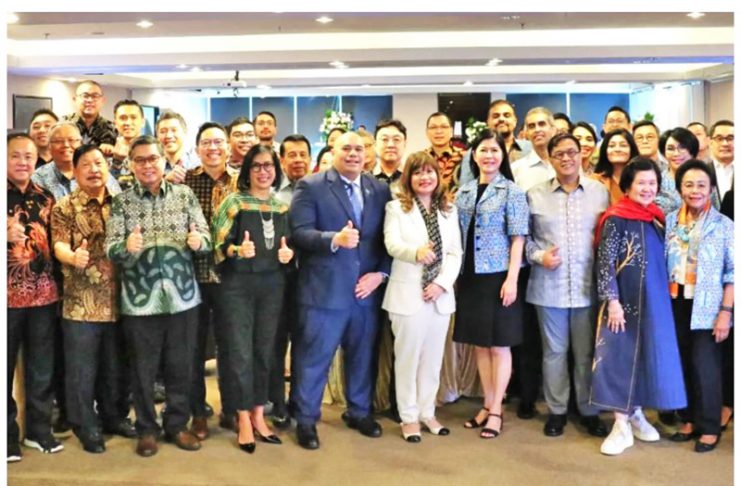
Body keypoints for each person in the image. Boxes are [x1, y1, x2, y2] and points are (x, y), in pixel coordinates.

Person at [105, 135, 212, 457]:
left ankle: (177, 425)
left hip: (183, 299)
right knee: (143, 371)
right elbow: (110, 248)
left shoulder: (184, 195)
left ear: (164, 160)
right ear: (131, 165)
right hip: (140, 302)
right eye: (140, 160)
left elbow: (207, 237)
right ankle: (147, 430)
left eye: (153, 158)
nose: (147, 165)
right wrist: (126, 247)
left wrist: (199, 241)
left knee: (181, 366)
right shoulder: (122, 202)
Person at [289, 131, 392, 450]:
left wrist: (381, 274)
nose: (353, 154)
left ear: (367, 153)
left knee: (362, 357)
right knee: (313, 359)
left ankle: (359, 412)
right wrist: (333, 239)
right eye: (346, 148)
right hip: (324, 293)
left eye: (359, 149)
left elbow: (388, 239)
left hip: (365, 293)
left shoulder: (379, 189)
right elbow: (299, 233)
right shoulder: (311, 186)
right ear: (333, 151)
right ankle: (306, 419)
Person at [590, 158, 686, 456]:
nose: (647, 188)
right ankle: (620, 423)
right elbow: (605, 263)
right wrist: (612, 301)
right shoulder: (616, 218)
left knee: (646, 356)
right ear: (628, 186)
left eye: (652, 183)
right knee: (618, 357)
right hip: (623, 302)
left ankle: (636, 413)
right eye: (641, 182)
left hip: (655, 301)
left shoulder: (657, 218)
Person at [212, 144, 295, 453]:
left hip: (272, 286)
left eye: (268, 166)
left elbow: (289, 246)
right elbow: (216, 245)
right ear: (247, 170)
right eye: (257, 166)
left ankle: (260, 414)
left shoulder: (281, 208)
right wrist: (237, 250)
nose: (263, 171)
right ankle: (243, 416)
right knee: (239, 353)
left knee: (265, 350)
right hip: (237, 287)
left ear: (276, 170)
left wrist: (288, 255)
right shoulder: (234, 203)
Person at [525, 133, 609, 438]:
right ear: (550, 158)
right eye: (559, 153)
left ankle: (589, 411)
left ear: (581, 154)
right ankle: (557, 411)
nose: (566, 158)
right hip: (549, 288)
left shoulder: (600, 193)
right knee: (554, 353)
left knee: (587, 354)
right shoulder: (534, 195)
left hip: (588, 288)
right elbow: (523, 240)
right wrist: (540, 256)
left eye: (571, 152)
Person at [51, 144, 134, 454]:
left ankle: (114, 418)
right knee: (82, 371)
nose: (94, 169)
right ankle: (86, 425)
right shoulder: (64, 207)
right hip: (81, 304)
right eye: (86, 164)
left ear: (107, 167)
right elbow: (58, 245)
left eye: (99, 162)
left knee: (115, 367)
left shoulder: (122, 202)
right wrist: (73, 257)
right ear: (74, 171)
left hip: (120, 301)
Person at [382, 152, 462, 442]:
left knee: (432, 360)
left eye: (430, 172)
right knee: (408, 360)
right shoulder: (396, 207)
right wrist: (415, 252)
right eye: (418, 172)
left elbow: (454, 253)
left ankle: (428, 412)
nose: (424, 177)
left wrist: (441, 284)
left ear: (438, 176)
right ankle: (408, 417)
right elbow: (391, 244)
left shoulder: (449, 209)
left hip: (439, 297)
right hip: (407, 296)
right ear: (409, 178)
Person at [454, 129, 529, 439]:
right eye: (483, 150)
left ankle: (496, 409)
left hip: (498, 276)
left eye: (494, 150)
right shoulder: (463, 191)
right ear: (474, 155)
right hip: (470, 276)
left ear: (503, 155)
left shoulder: (512, 191)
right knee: (480, 345)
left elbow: (518, 238)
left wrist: (512, 278)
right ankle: (487, 403)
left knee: (499, 345)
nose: (488, 155)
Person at [665, 160, 734, 453]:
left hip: (708, 305)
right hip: (675, 301)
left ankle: (709, 427)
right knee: (681, 362)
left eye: (701, 185)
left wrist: (726, 313)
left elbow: (733, 273)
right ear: (680, 188)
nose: (695, 190)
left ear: (711, 189)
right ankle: (689, 419)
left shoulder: (724, 225)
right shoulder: (670, 220)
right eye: (689, 184)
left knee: (705, 366)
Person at [7, 133, 63, 461]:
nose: (23, 162)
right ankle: (6, 438)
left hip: (43, 297)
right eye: (15, 155)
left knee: (42, 368)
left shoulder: (46, 197)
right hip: (6, 300)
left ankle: (39, 432)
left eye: (29, 156)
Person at [183, 122, 237, 441]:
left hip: (232, 278)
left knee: (231, 347)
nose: (213, 148)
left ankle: (231, 409)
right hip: (193, 277)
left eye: (218, 142)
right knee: (193, 349)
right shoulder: (185, 182)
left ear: (228, 147)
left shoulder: (241, 183)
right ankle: (198, 413)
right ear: (197, 148)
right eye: (206, 142)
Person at [62, 80, 117, 156]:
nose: (90, 100)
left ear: (102, 101)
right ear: (75, 100)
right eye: (85, 96)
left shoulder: (111, 128)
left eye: (95, 96)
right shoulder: (63, 124)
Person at [655, 127, 701, 215]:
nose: (676, 153)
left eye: (682, 147)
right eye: (670, 148)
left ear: (692, 151)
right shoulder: (656, 181)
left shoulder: (705, 180)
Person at [591, 128, 639, 205]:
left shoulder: (641, 179)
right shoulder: (595, 181)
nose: (617, 149)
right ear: (605, 151)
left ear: (631, 149)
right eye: (612, 146)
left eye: (623, 145)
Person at [109, 99, 146, 190]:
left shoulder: (154, 151)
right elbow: (106, 188)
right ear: (115, 123)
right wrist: (116, 162)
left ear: (143, 122)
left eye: (133, 117)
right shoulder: (107, 152)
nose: (128, 123)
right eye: (123, 118)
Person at [424, 112, 465, 191]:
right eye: (433, 127)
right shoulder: (420, 159)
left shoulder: (464, 157)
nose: (439, 131)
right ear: (427, 132)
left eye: (444, 127)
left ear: (451, 131)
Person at [373, 119, 406, 186]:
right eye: (384, 139)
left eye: (396, 139)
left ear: (405, 144)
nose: (390, 145)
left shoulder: (412, 176)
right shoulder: (364, 179)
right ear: (375, 144)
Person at [708, 120, 734, 203]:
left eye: (730, 138)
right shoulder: (702, 171)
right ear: (710, 142)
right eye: (719, 139)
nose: (725, 144)